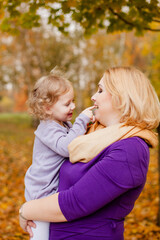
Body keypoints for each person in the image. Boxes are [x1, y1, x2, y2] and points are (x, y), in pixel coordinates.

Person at [19, 66, 160, 240]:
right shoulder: (96, 134)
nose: (93, 96)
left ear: (121, 98)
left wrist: (26, 210)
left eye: (100, 90)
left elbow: (75, 202)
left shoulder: (130, 149)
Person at [24, 68, 94, 240]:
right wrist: (82, 120)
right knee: (40, 235)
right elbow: (67, 147)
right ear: (48, 108)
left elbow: (77, 140)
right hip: (41, 193)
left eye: (73, 101)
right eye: (67, 104)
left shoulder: (63, 125)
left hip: (51, 192)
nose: (73, 106)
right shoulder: (47, 127)